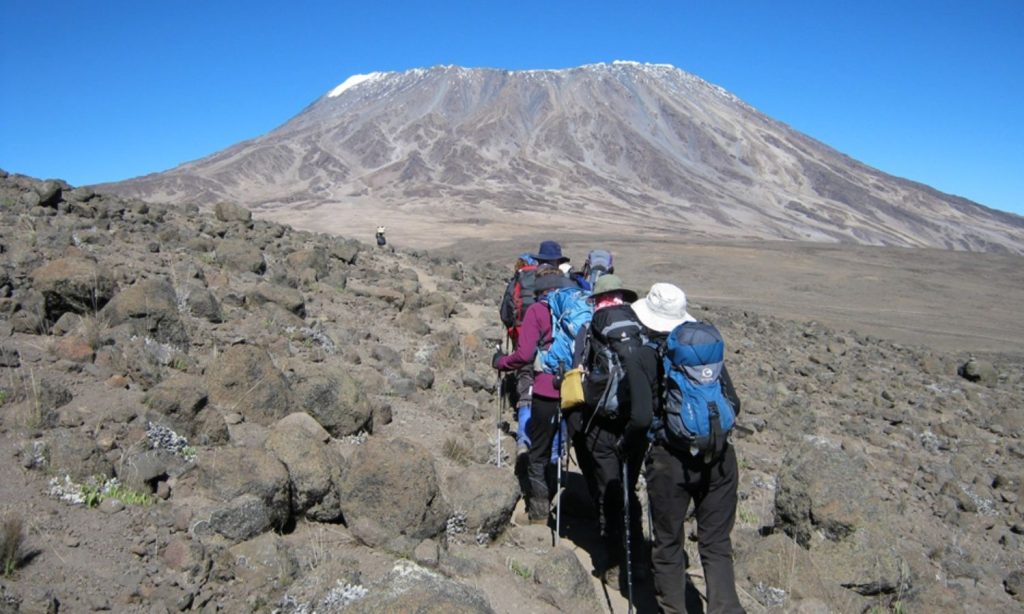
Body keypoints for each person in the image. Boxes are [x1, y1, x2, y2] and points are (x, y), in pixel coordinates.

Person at [630, 283, 745, 614]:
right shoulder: (703, 351)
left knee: (667, 543)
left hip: (670, 462)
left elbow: (640, 418)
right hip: (720, 456)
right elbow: (733, 403)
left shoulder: (642, 356)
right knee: (716, 543)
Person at [570, 274, 649, 585]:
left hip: (601, 423)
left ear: (596, 300)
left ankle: (615, 564)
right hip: (637, 422)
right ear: (622, 296)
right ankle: (638, 558)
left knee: (609, 491)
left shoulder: (590, 328)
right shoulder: (640, 327)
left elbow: (578, 370)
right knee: (629, 489)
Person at [493, 268, 570, 524]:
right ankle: (560, 497)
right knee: (558, 444)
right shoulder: (575, 310)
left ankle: (539, 514)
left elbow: (524, 355)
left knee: (538, 452)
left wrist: (502, 362)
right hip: (575, 388)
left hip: (546, 388)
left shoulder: (537, 310)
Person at [498, 253, 540, 456]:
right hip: (546, 342)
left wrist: (513, 331)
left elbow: (506, 314)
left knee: (525, 384)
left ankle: (523, 439)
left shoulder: (516, 282)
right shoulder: (544, 281)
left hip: (522, 339)